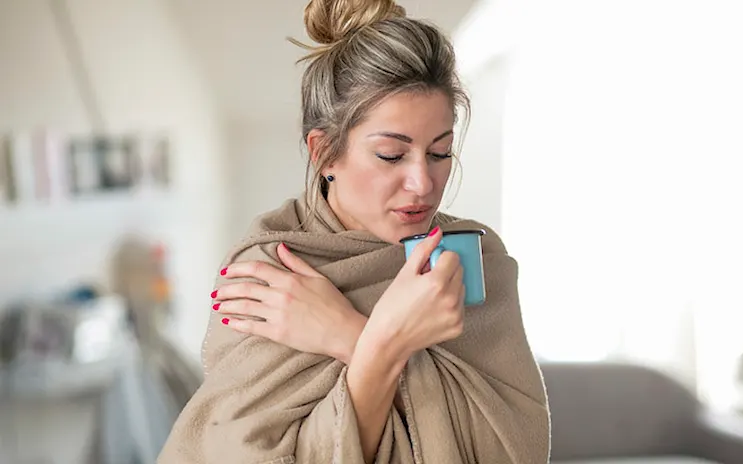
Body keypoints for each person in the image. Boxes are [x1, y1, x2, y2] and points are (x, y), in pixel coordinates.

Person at [158, 0, 550, 462]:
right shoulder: (269, 275)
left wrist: (351, 335)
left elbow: (515, 450)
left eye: (440, 153)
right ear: (324, 153)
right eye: (390, 155)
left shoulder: (472, 261)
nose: (423, 183)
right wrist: (383, 348)